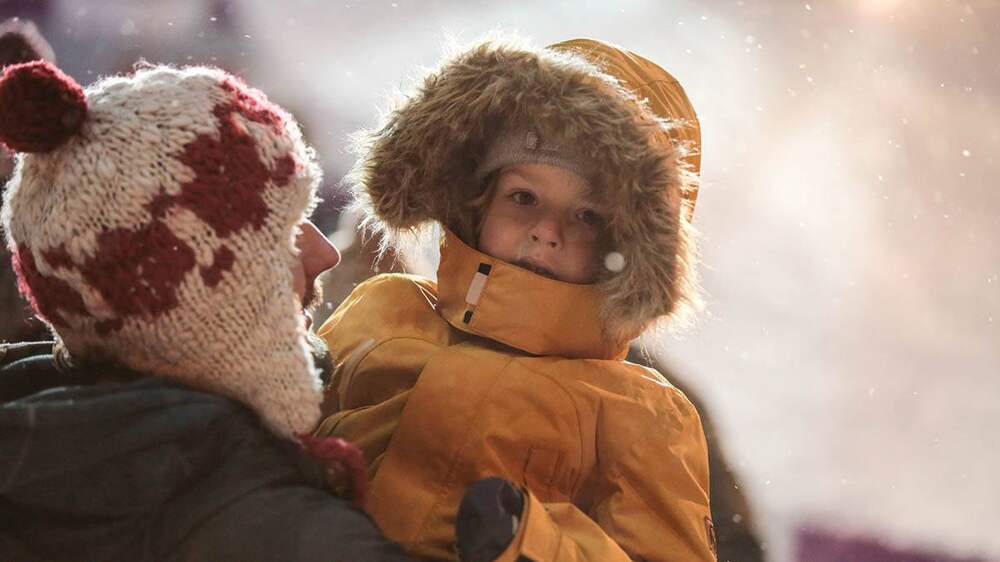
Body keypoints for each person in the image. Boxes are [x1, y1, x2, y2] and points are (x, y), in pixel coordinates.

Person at [313, 37, 716, 562]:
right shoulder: (385, 311)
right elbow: (278, 439)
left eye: (587, 216)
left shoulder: (641, 415)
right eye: (523, 197)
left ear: (629, 249)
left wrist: (532, 547)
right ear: (476, 206)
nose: (546, 230)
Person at [0, 60, 410, 561]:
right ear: (189, 297)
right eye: (285, 231)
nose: (326, 254)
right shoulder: (272, 530)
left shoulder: (42, 449)